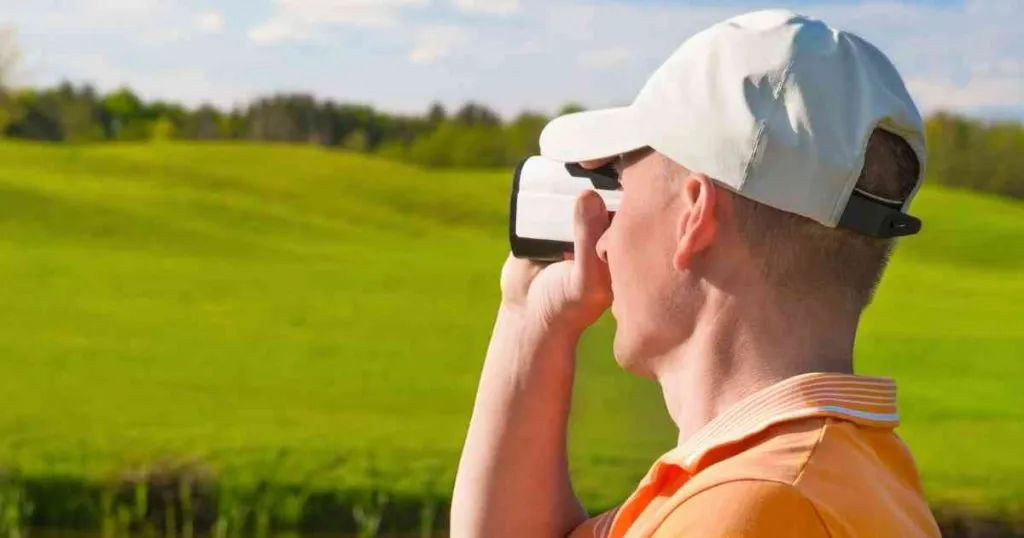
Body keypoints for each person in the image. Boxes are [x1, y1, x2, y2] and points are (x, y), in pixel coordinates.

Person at [451, 9, 942, 538]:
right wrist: (530, 315)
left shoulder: (751, 508)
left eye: (619, 178)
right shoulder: (839, 474)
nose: (605, 234)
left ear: (693, 216)